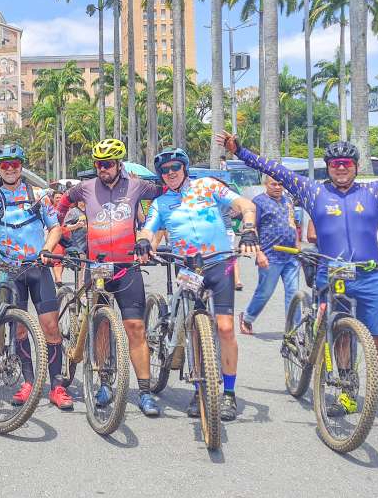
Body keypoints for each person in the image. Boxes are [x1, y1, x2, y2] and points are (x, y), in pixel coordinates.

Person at [219, 131, 378, 430]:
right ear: (328, 167)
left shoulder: (377, 192)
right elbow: (274, 169)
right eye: (334, 164)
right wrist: (240, 150)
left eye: (346, 163)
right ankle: (347, 394)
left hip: (369, 275)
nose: (341, 168)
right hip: (331, 274)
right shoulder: (313, 192)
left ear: (356, 166)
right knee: (341, 336)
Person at [142, 147, 259, 421]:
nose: (170, 173)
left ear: (184, 168)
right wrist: (144, 241)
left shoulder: (207, 187)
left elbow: (244, 204)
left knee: (226, 328)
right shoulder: (161, 203)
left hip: (219, 263)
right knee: (192, 328)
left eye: (175, 168)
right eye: (165, 170)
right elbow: (148, 228)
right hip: (187, 268)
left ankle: (228, 393)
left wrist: (250, 228)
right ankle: (199, 389)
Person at [56, 138, 166, 417]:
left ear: (119, 165)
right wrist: (61, 235)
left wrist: (146, 236)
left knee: (135, 328)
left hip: (127, 266)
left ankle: (144, 392)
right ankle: (104, 383)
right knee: (101, 327)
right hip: (97, 267)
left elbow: (164, 193)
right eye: (99, 164)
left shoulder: (136, 185)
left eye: (108, 164)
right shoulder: (85, 188)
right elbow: (61, 205)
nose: (103, 169)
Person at [0, 144, 73, 411]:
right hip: (9, 271)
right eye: (4, 165)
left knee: (50, 327)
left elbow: (55, 228)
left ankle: (57, 386)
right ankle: (28, 382)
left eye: (14, 164)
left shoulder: (37, 195)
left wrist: (48, 249)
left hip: (37, 268)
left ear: (21, 166)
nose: (10, 169)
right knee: (21, 328)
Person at [239, 175, 301, 335]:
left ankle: (294, 329)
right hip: (270, 256)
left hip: (291, 256)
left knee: (293, 293)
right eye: (274, 184)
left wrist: (298, 245)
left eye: (281, 184)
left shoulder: (288, 200)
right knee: (265, 292)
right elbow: (252, 229)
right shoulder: (258, 202)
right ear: (265, 184)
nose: (278, 187)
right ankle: (247, 317)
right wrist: (259, 254)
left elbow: (293, 223)